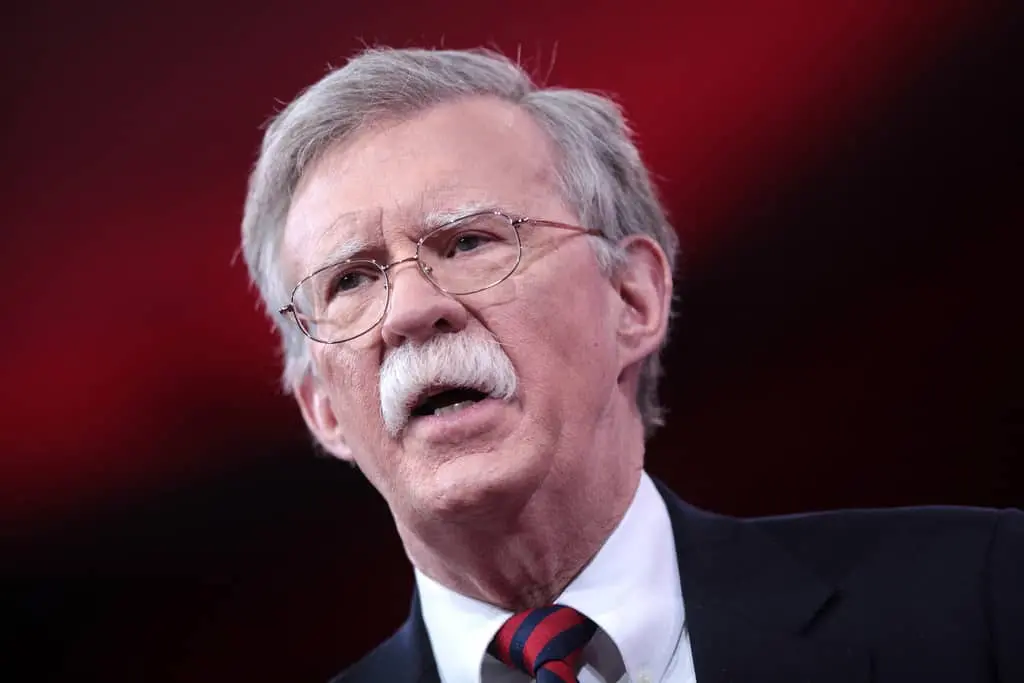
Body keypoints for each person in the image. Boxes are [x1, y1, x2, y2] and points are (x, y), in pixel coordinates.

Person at [240, 47, 1022, 683]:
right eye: (351, 280)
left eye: (469, 241)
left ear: (633, 297)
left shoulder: (978, 595)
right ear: (323, 409)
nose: (411, 309)